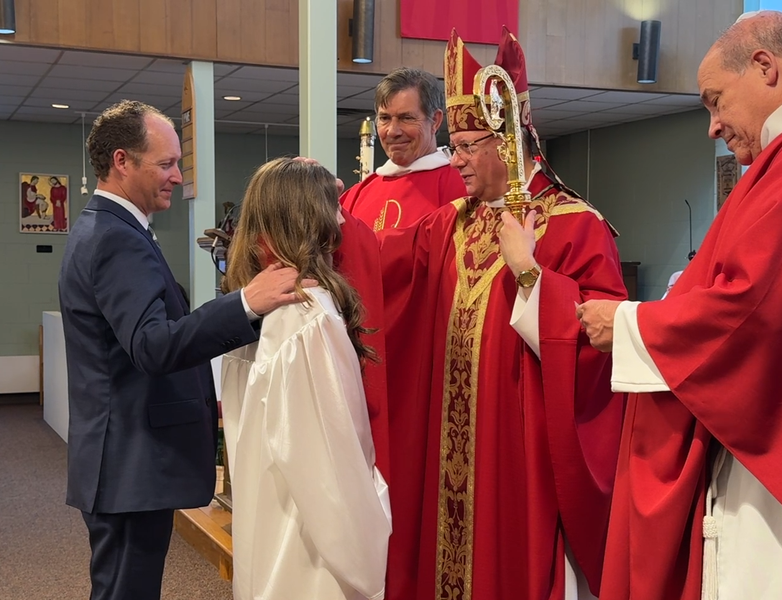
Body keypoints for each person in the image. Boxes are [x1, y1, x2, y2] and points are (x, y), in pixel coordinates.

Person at [376, 27, 627, 600]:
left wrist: (530, 273)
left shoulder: (573, 223)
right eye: (456, 145)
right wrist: (319, 231)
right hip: (451, 448)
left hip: (521, 449)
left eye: (468, 147)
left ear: (509, 142)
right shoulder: (451, 222)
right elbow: (380, 268)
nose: (455, 160)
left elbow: (603, 339)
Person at [58, 100, 314, 600]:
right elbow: (153, 346)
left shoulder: (114, 229)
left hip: (123, 457)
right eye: (167, 163)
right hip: (129, 460)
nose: (178, 176)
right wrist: (245, 303)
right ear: (122, 162)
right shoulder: (116, 237)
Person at [576, 10, 782, 600]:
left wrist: (630, 322)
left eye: (716, 101)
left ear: (764, 67)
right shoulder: (764, 172)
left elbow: (751, 309)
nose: (713, 127)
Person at [219, 158, 392, 600]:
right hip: (309, 540)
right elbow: (327, 464)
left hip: (267, 512)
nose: (342, 214)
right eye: (333, 203)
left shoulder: (256, 304)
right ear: (311, 216)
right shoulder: (307, 319)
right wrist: (368, 539)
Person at [340, 67, 466, 230]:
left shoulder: (461, 188)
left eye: (406, 118)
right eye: (384, 118)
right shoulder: (355, 196)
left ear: (435, 120)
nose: (392, 131)